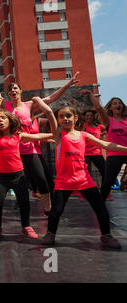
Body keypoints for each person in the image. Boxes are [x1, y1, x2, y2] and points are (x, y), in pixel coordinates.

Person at [0, 64, 80, 214]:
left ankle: (48, 209)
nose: (13, 90)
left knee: (42, 179)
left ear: (21, 91)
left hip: (30, 149)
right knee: (20, 182)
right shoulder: (5, 105)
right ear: (8, 94)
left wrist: (67, 84)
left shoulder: (30, 106)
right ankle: (20, 204)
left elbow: (51, 98)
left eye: (15, 88)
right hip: (13, 151)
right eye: (10, 89)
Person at [41, 104, 125, 249]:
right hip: (64, 181)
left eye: (68, 116)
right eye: (61, 116)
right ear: (58, 120)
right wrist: (39, 100)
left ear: (75, 118)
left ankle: (106, 235)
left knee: (101, 209)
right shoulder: (58, 135)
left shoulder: (84, 135)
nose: (65, 119)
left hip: (84, 180)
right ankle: (50, 233)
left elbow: (105, 144)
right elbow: (48, 111)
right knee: (56, 211)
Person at [0, 96, 55, 240]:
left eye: (3, 118)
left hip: (18, 175)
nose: (0, 121)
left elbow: (37, 135)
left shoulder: (18, 135)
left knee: (24, 202)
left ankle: (26, 227)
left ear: (10, 120)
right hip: (1, 176)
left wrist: (52, 135)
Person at [83, 93, 127, 202]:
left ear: (122, 106)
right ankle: (101, 203)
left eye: (119, 103)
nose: (118, 105)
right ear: (110, 107)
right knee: (108, 181)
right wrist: (90, 94)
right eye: (115, 103)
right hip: (114, 154)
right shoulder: (109, 121)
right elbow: (98, 108)